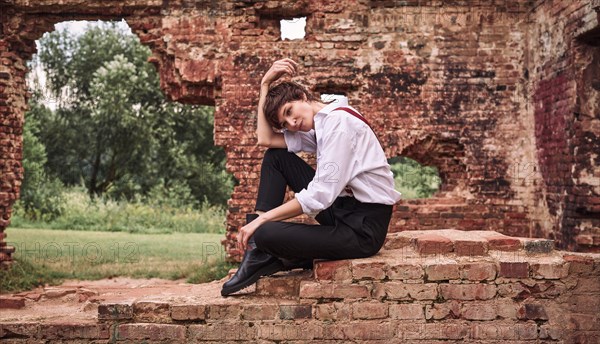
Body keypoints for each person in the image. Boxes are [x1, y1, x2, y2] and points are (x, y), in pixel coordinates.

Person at [221, 58, 401, 296]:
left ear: (302, 96)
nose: (292, 123)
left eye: (289, 112)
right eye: (285, 123)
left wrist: (260, 221)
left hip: (363, 230)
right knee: (277, 158)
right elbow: (266, 140)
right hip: (344, 210)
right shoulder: (322, 122)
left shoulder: (338, 125)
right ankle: (259, 252)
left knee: (264, 232)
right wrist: (264, 85)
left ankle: (266, 248)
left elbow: (319, 197)